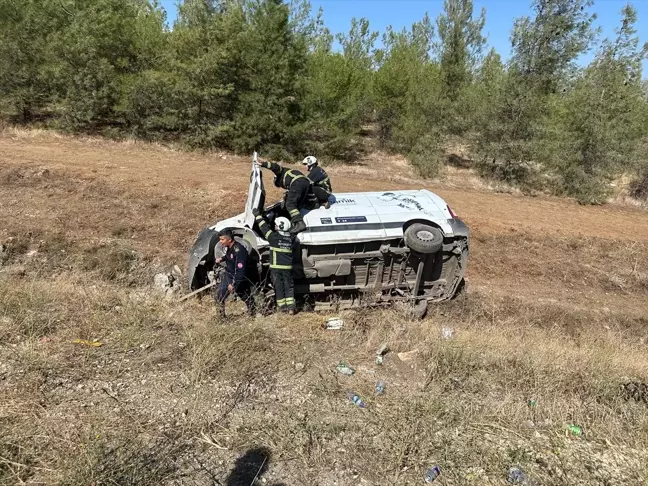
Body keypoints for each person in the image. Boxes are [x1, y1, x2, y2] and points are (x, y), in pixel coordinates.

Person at [252, 208, 296, 315]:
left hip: (276, 268)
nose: (274, 226)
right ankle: (291, 308)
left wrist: (258, 216)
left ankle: (282, 308)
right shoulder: (291, 238)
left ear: (278, 226)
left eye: (275, 225)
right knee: (288, 287)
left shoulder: (273, 238)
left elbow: (264, 228)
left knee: (279, 287)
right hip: (287, 268)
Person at [256, 159, 310, 234]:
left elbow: (275, 166)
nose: (280, 186)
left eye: (278, 184)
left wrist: (263, 164)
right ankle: (294, 224)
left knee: (290, 204)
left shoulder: (280, 172)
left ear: (277, 179)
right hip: (305, 183)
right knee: (297, 205)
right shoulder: (288, 175)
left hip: (297, 182)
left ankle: (300, 223)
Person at [214, 229, 256, 317]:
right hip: (228, 275)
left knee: (245, 297)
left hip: (237, 278)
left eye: (222, 239)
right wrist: (222, 258)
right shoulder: (230, 247)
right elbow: (230, 256)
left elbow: (240, 270)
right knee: (219, 296)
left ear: (229, 240)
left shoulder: (239, 251)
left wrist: (233, 284)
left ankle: (253, 314)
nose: (220, 242)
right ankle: (221, 318)